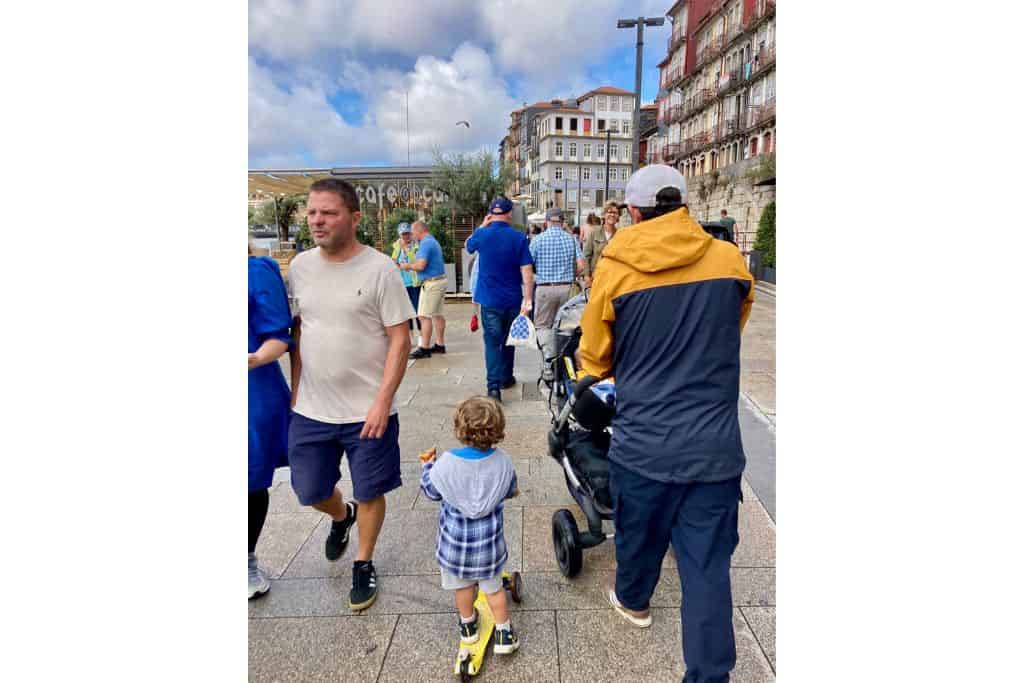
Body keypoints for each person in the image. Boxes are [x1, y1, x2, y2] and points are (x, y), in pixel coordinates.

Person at [578, 165, 754, 683]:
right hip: (715, 447)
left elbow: (595, 355)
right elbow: (734, 324)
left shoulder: (616, 265)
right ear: (683, 205)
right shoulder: (729, 260)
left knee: (638, 534)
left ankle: (634, 601)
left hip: (645, 443)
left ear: (633, 212)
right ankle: (708, 675)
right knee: (707, 570)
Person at [287, 178, 416, 611]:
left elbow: (401, 339)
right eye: (312, 212)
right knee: (308, 489)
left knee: (371, 488)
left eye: (329, 212)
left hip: (368, 409)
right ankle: (341, 517)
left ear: (354, 217)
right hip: (312, 408)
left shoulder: (380, 269)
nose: (317, 221)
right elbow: (300, 329)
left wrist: (382, 401)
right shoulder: (301, 267)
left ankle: (363, 561)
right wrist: (294, 387)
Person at [419, 396, 521, 654]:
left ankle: (468, 627)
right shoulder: (503, 462)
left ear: (460, 429)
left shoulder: (446, 464)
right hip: (488, 548)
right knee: (494, 590)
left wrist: (427, 466)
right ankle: (504, 633)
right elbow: (510, 489)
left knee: (463, 588)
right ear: (497, 430)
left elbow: (431, 491)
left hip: (456, 548)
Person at [248, 247, 294, 600]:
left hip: (251, 387)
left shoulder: (256, 271)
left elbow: (279, 334)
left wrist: (257, 357)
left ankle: (244, 560)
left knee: (249, 477)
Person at [465, 196, 534, 403]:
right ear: (509, 214)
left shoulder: (482, 235)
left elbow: (468, 245)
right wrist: (528, 299)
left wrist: (482, 226)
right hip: (513, 299)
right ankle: (506, 377)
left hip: (489, 300)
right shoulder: (519, 237)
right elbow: (527, 271)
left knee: (492, 342)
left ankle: (493, 388)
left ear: (491, 214)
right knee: (508, 340)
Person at [529, 206, 585, 382]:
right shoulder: (571, 239)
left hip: (545, 288)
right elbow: (582, 265)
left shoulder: (538, 240)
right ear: (562, 222)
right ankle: (564, 363)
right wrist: (572, 274)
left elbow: (527, 265)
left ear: (546, 222)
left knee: (543, 326)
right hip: (567, 289)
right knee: (566, 326)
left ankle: (548, 363)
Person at [401, 220, 448, 359]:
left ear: (419, 230)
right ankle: (440, 344)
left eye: (413, 232)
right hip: (439, 280)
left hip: (432, 283)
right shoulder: (432, 241)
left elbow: (421, 266)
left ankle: (424, 348)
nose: (412, 235)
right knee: (437, 314)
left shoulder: (426, 243)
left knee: (423, 316)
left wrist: (406, 266)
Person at [392, 222, 421, 341]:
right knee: (406, 311)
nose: (406, 236)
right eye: (403, 234)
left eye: (408, 233)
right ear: (399, 235)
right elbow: (393, 260)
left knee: (418, 310)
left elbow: (416, 261)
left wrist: (407, 250)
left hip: (414, 283)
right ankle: (410, 337)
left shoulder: (416, 245)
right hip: (402, 284)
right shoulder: (396, 246)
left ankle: (422, 337)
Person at [582, 200, 621, 289]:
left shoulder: (620, 234)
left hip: (613, 279)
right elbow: (586, 255)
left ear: (618, 216)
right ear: (604, 215)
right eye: (609, 212)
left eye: (615, 213)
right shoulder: (594, 232)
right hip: (595, 278)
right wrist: (587, 275)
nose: (612, 215)